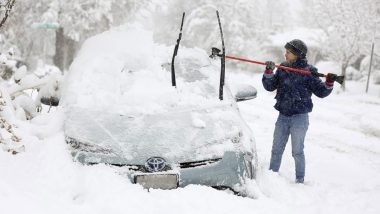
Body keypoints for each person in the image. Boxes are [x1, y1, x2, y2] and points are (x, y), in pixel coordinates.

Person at [262, 39, 337, 183]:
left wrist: (329, 82)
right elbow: (270, 86)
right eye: (286, 52)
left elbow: (321, 92)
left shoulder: (308, 72)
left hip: (300, 118)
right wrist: (269, 72)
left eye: (288, 52)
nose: (285, 54)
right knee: (276, 149)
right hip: (283, 116)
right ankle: (271, 178)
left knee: (297, 151)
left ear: (297, 54)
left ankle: (300, 179)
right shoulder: (283, 68)